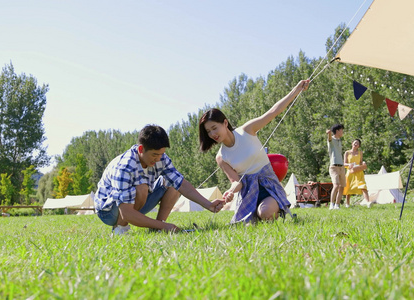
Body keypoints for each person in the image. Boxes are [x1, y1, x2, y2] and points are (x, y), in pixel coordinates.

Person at [198, 79, 310, 223]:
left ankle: (274, 211)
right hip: (248, 194)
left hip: (268, 187)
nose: (213, 134)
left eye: (214, 128)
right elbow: (236, 182)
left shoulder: (247, 130)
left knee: (265, 212)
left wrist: (296, 90)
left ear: (225, 123)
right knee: (248, 225)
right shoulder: (221, 157)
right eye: (208, 131)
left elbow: (273, 112)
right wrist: (231, 191)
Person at [94, 125, 225, 234]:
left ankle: (158, 228)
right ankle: (119, 229)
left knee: (173, 184)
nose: (158, 159)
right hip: (109, 211)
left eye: (161, 154)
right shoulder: (125, 166)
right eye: (154, 155)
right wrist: (166, 226)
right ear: (141, 149)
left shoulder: (161, 158)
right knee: (142, 187)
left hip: (133, 204)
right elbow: (127, 213)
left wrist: (208, 204)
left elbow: (181, 184)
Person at [343, 139, 375, 208]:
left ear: (359, 146)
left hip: (359, 172)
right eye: (355, 143)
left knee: (363, 186)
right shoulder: (347, 152)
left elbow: (360, 162)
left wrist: (363, 163)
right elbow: (344, 163)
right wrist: (349, 165)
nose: (356, 144)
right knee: (349, 188)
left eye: (357, 143)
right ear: (352, 143)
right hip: (350, 172)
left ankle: (367, 203)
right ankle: (347, 204)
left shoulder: (360, 152)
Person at [327, 124, 345, 210]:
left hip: (341, 166)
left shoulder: (339, 141)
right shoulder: (332, 140)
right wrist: (329, 134)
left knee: (342, 187)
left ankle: (337, 205)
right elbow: (329, 139)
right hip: (334, 167)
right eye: (341, 130)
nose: (343, 132)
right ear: (337, 131)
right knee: (336, 185)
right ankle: (331, 204)